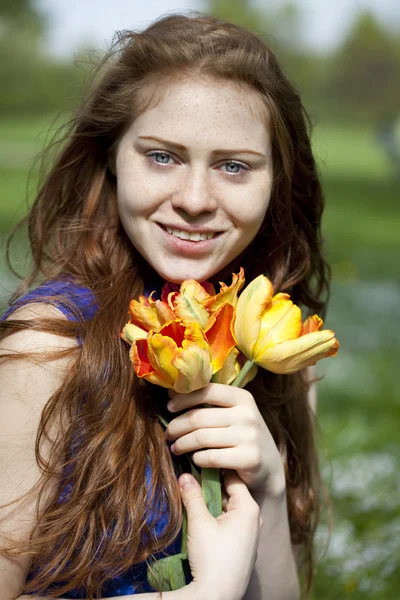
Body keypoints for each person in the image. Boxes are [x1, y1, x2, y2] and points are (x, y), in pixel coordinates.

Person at [0, 10, 330, 600]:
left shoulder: (280, 353)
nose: (195, 200)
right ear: (111, 158)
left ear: (278, 180)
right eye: (162, 156)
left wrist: (270, 491)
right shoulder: (46, 346)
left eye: (233, 166)